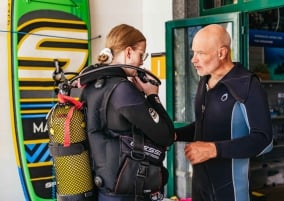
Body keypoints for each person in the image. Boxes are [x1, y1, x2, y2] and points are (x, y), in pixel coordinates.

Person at [175, 24, 273, 201]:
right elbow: (206, 125)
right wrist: (175, 134)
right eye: (193, 52)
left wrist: (214, 149)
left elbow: (264, 140)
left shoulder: (247, 84)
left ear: (221, 53)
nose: (193, 60)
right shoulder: (204, 81)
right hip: (200, 187)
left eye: (200, 53)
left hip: (230, 190)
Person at [79, 24, 174, 201]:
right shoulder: (123, 90)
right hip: (127, 193)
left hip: (103, 189)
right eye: (141, 54)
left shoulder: (92, 85)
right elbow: (166, 135)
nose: (142, 62)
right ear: (128, 52)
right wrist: (152, 96)